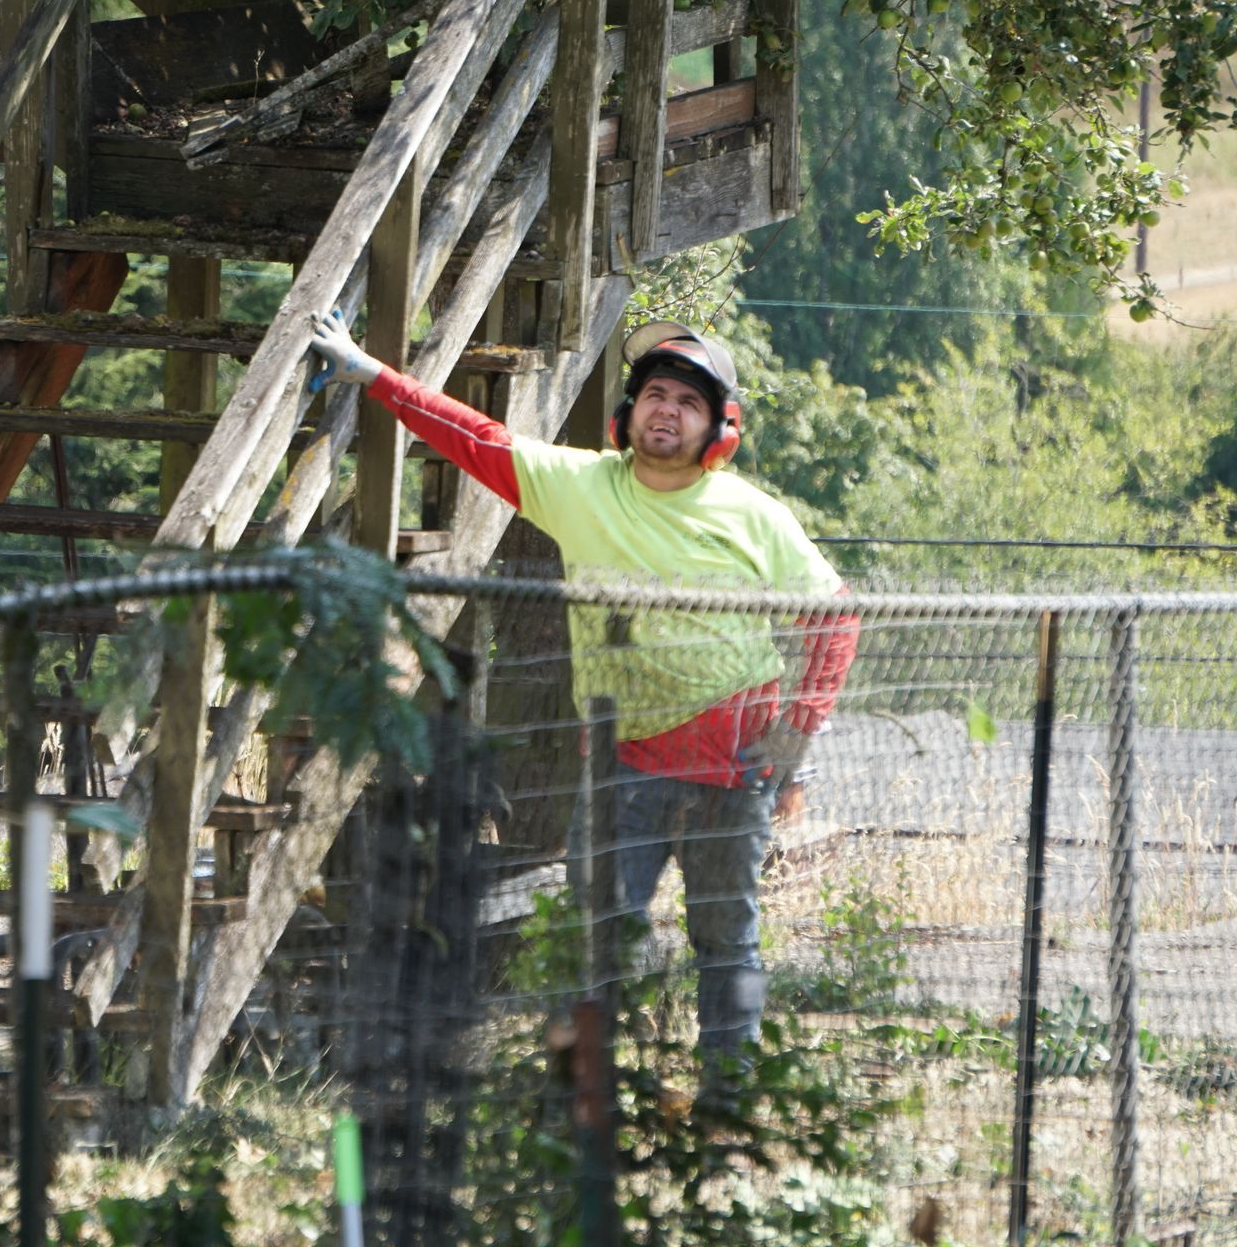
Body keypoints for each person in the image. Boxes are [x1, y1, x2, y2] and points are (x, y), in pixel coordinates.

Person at [308, 308, 859, 1087]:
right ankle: (581, 1109)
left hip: (730, 768)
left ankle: (725, 1107)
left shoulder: (755, 515)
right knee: (592, 947)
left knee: (726, 943)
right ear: (626, 414)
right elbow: (476, 438)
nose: (666, 410)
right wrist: (373, 376)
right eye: (655, 395)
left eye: (689, 402)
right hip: (618, 765)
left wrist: (794, 738)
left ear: (719, 430)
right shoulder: (578, 486)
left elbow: (835, 620)